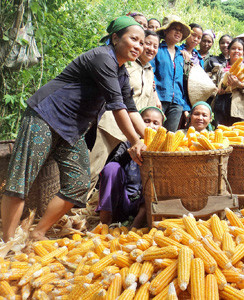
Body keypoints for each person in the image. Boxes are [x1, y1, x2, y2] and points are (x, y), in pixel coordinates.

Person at [1, 16, 146, 241]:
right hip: (45, 116)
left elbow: (131, 109)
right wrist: (135, 142)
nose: (139, 46)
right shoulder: (102, 58)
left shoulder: (121, 72)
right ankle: (7, 242)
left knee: (78, 184)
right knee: (21, 181)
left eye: (142, 42)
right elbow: (117, 107)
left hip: (72, 128)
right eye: (134, 39)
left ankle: (38, 232)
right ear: (115, 38)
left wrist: (151, 138)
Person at [89, 29, 161, 198]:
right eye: (146, 44)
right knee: (94, 167)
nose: (150, 48)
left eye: (155, 46)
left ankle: (98, 208)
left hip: (132, 131)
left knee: (115, 171)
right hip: (111, 124)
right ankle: (74, 211)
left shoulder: (150, 71)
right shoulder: (126, 64)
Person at [96, 107, 165, 228]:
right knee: (111, 167)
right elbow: (110, 170)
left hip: (144, 205)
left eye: (156, 123)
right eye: (146, 121)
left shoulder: (163, 149)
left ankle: (136, 225)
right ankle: (104, 222)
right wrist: (130, 151)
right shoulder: (127, 143)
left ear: (162, 127)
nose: (150, 126)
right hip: (122, 200)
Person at [153, 15, 192, 132]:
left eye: (181, 31)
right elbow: (150, 73)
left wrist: (185, 107)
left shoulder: (182, 55)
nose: (178, 32)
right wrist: (155, 97)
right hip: (159, 99)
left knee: (170, 136)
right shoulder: (157, 50)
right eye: (175, 28)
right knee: (152, 134)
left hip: (177, 103)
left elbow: (184, 83)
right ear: (165, 31)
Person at [213, 38, 244, 126]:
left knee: (238, 132)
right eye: (233, 48)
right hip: (221, 102)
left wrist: (238, 84)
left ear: (243, 52)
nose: (236, 51)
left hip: (238, 104)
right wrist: (217, 90)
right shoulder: (220, 68)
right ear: (228, 51)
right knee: (221, 130)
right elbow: (213, 84)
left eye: (240, 49)